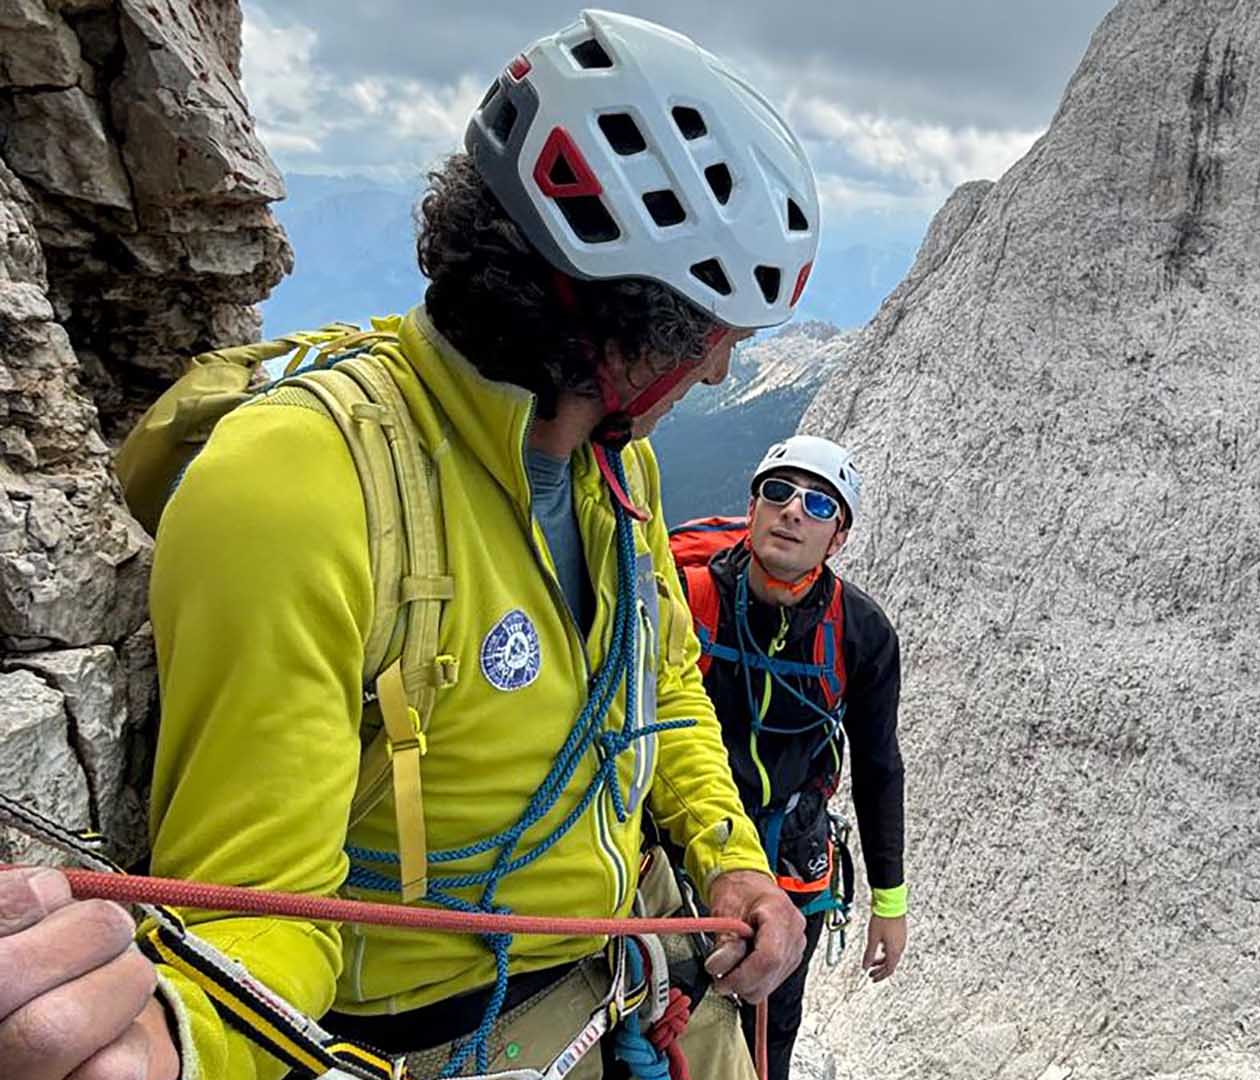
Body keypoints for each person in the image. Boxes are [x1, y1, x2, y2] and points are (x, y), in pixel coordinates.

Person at [0, 11, 825, 1080]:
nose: (716, 374)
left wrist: (729, 861)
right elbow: (256, 900)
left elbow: (657, 688)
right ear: (626, 320)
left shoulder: (615, 473)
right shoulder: (299, 481)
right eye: (713, 335)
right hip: (459, 1033)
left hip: (650, 968)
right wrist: (175, 1039)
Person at [674, 436, 906, 1080]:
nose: (792, 511)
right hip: (679, 846)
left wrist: (889, 902)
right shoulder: (687, 595)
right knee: (663, 1018)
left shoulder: (860, 633)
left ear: (838, 539)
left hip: (788, 864)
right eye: (777, 492)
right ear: (752, 508)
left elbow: (880, 764)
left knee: (767, 1034)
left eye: (818, 503)